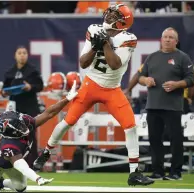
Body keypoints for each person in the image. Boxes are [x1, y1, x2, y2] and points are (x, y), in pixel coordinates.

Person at [34, 4, 154, 186]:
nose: (109, 16)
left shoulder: (128, 38)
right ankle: (46, 152)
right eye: (110, 13)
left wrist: (105, 44)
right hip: (90, 85)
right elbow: (83, 62)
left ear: (123, 22)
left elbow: (114, 64)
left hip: (112, 89)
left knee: (130, 127)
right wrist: (94, 46)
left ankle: (134, 173)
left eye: (115, 15)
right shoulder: (94, 29)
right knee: (68, 121)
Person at [0, 81, 78, 192]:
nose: (23, 125)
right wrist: (37, 178)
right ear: (12, 132)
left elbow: (48, 113)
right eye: (18, 125)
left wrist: (67, 99)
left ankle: (1, 184)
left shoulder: (25, 122)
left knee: (21, 188)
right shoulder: (10, 146)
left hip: (15, 160)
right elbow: (22, 166)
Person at [138, 27, 194, 180]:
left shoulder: (183, 57)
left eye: (171, 37)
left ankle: (176, 172)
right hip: (153, 105)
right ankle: (158, 171)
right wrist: (146, 80)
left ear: (176, 41)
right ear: (161, 39)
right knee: (154, 139)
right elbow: (140, 77)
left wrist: (177, 84)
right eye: (165, 37)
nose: (167, 39)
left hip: (173, 106)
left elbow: (191, 79)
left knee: (176, 140)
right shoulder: (151, 57)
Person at [1, 46, 44, 168]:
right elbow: (4, 89)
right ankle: (13, 161)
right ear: (15, 56)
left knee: (30, 135)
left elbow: (40, 86)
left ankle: (33, 163)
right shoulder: (10, 72)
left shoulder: (33, 71)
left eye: (24, 53)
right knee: (12, 134)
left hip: (30, 107)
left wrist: (30, 87)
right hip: (14, 107)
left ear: (27, 55)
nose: (22, 55)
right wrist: (4, 92)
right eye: (19, 53)